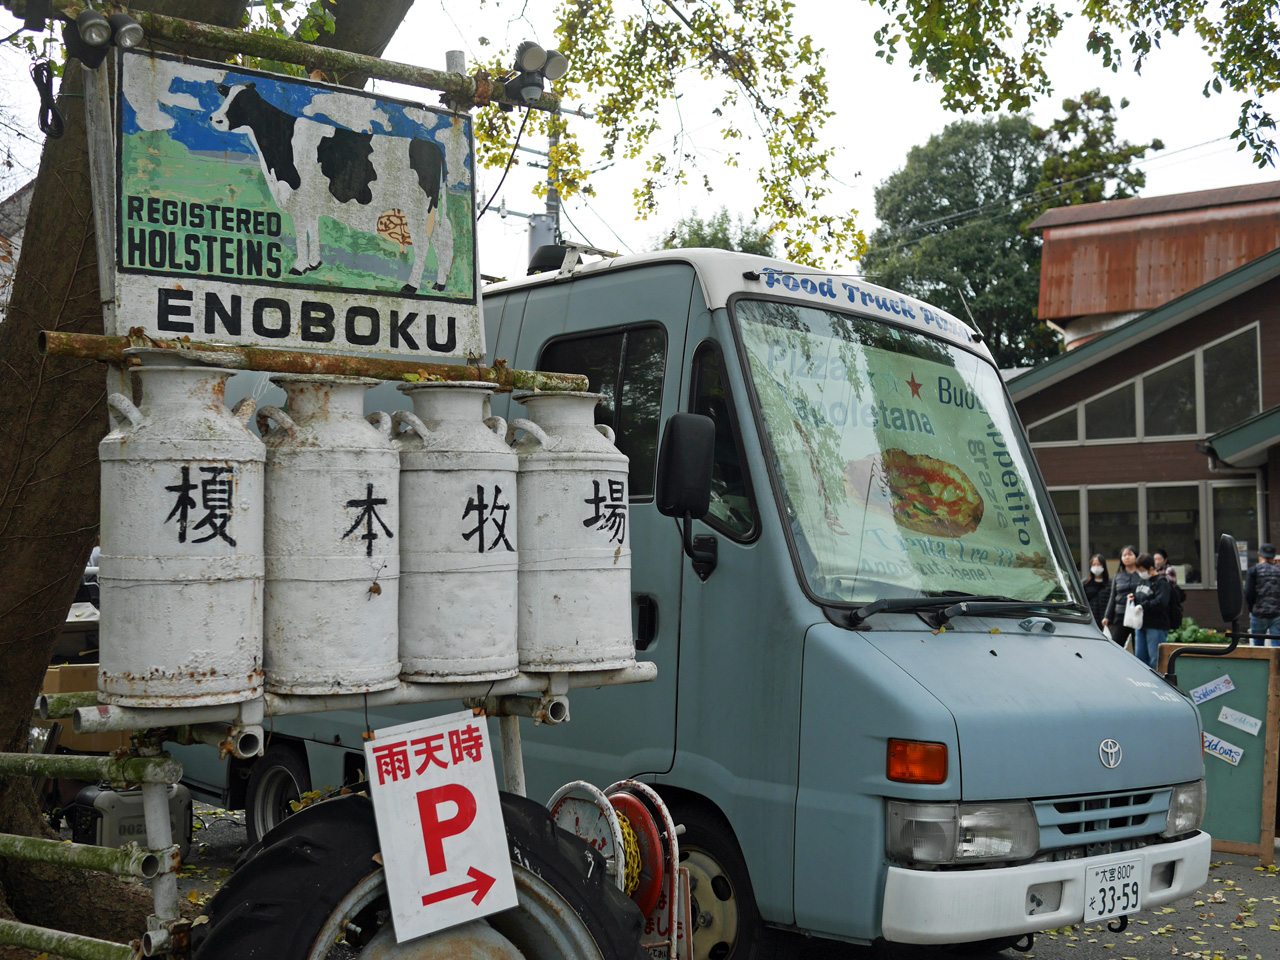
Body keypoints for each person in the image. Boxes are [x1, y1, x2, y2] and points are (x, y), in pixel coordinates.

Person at [1131, 553, 1174, 669]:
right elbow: (1141, 596)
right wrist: (1134, 599)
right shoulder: (1142, 581)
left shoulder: (1161, 582)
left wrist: (1143, 606)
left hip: (1156, 625)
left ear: (1151, 568)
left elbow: (1161, 602)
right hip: (1141, 624)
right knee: (1140, 657)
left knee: (1155, 658)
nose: (1140, 573)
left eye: (1142, 570)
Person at [1101, 545, 1141, 647]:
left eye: (1130, 554)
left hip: (1137, 614)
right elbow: (1112, 596)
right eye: (1124, 555)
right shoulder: (1118, 576)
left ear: (1136, 556)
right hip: (1120, 614)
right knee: (1116, 645)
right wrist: (1107, 616)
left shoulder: (1141, 575)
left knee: (1139, 647)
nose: (1127, 557)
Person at [1244, 543, 1280, 646]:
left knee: (1258, 647)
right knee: (1277, 647)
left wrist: (1251, 609)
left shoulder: (1254, 570)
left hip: (1258, 613)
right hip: (1277, 614)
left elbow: (1249, 593)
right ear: (1274, 555)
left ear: (1259, 554)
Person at [1083, 554, 1110, 627]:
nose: (1096, 567)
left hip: (1105, 621)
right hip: (1090, 619)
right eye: (1094, 564)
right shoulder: (1085, 583)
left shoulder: (1109, 583)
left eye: (1099, 564)